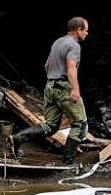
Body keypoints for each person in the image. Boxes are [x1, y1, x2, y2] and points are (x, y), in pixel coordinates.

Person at [10, 17, 90, 165]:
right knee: (80, 124)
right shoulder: (74, 45)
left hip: (50, 86)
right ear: (78, 30)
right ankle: (68, 161)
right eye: (85, 30)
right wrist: (75, 89)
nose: (87, 33)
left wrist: (53, 81)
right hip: (64, 87)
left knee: (51, 125)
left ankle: (18, 138)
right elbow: (71, 68)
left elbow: (47, 65)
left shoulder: (58, 42)